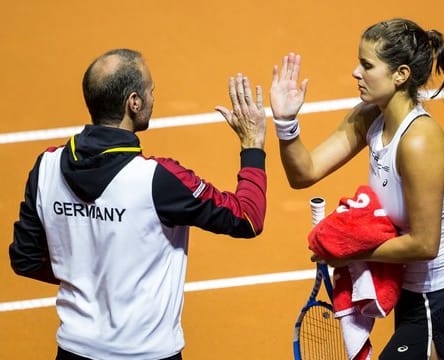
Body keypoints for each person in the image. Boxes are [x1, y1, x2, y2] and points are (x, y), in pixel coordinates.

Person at [9, 48, 267, 360]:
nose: (153, 98)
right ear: (134, 102)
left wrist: (86, 275)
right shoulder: (158, 180)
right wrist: (252, 145)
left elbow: (25, 259)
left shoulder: (46, 168)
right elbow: (247, 218)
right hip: (147, 355)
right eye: (150, 90)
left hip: (73, 351)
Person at [269, 18, 444, 359]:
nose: (356, 72)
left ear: (400, 74)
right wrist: (285, 122)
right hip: (413, 298)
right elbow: (304, 173)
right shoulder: (371, 117)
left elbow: (425, 244)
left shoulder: (419, 142)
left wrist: (348, 252)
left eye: (367, 65)